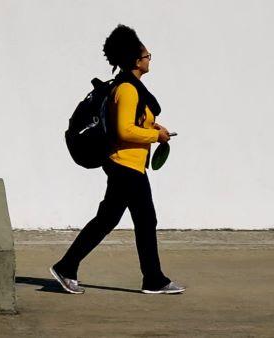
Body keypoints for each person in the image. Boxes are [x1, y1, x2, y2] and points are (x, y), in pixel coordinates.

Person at [50, 24, 185, 295]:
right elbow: (123, 130)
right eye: (147, 56)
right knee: (122, 220)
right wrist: (154, 137)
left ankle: (151, 278)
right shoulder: (127, 90)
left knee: (130, 220)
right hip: (124, 165)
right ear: (136, 61)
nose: (149, 60)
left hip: (131, 165)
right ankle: (69, 267)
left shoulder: (132, 88)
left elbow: (133, 123)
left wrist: (155, 129)